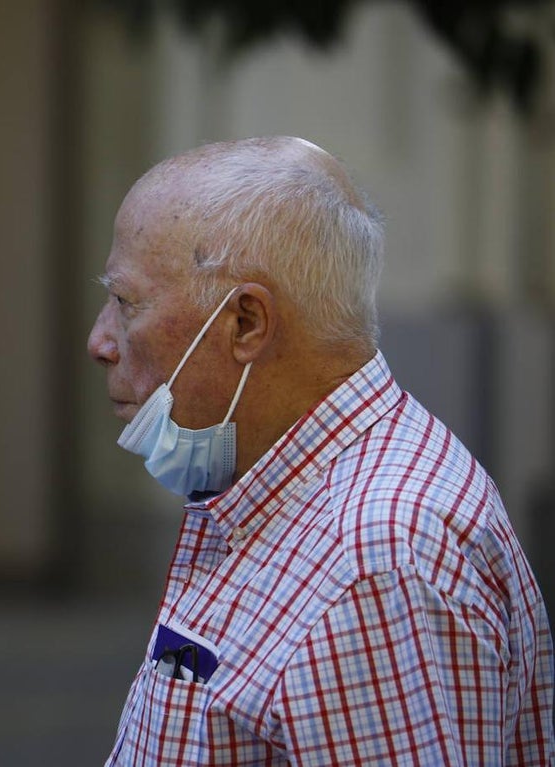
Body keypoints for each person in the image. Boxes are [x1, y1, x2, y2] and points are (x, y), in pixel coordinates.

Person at [86, 136, 554, 765]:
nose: (101, 340)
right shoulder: (285, 498)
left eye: (125, 303)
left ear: (247, 323)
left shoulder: (377, 562)